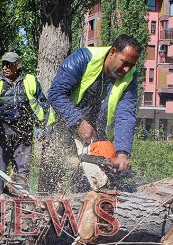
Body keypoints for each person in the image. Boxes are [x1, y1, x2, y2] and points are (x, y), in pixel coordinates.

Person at [40, 34, 141, 193]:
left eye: (132, 65)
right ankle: (43, 209)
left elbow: (126, 114)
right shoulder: (83, 58)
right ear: (113, 52)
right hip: (62, 126)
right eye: (125, 63)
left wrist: (122, 153)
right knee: (50, 180)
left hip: (95, 136)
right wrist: (78, 121)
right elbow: (55, 94)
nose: (127, 69)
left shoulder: (130, 76)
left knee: (93, 186)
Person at [0, 52, 51, 200]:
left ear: (18, 65)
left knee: (22, 167)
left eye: (9, 64)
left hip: (24, 129)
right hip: (1, 130)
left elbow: (43, 103)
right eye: (4, 64)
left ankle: (21, 199)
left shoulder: (30, 81)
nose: (5, 67)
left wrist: (43, 126)